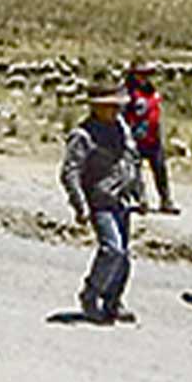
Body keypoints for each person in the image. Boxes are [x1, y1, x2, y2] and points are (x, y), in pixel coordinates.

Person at [61, 74, 146, 324]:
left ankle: (113, 302)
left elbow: (134, 161)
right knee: (112, 249)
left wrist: (140, 194)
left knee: (124, 256)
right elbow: (70, 171)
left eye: (117, 105)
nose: (114, 110)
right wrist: (79, 204)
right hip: (100, 201)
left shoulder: (122, 128)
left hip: (123, 200)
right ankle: (90, 295)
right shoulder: (83, 135)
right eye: (109, 105)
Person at [124, 58, 177, 213]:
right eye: (141, 73)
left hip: (153, 136)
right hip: (136, 136)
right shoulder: (128, 92)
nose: (144, 77)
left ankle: (166, 200)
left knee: (160, 168)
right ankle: (141, 200)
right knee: (135, 170)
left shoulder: (151, 90)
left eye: (147, 73)